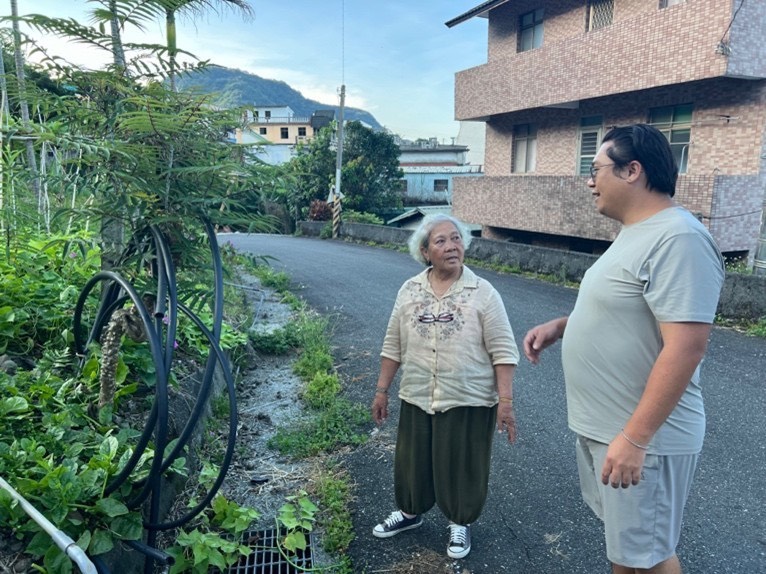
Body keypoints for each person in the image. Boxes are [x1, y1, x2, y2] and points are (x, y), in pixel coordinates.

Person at [523, 124, 724, 574]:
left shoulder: (679, 238)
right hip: (613, 429)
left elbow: (686, 348)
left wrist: (635, 438)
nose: (589, 182)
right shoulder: (636, 232)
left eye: (596, 170)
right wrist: (563, 327)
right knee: (633, 556)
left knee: (645, 561)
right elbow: (630, 309)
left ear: (632, 170)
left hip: (642, 438)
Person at [370, 213, 519, 560]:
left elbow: (504, 350)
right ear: (425, 252)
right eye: (441, 241)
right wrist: (381, 390)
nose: (452, 246)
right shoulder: (409, 290)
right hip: (417, 392)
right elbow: (393, 345)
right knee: (413, 460)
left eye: (456, 239)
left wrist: (506, 400)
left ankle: (459, 521)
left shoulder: (483, 293)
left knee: (462, 463)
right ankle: (410, 513)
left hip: (468, 396)